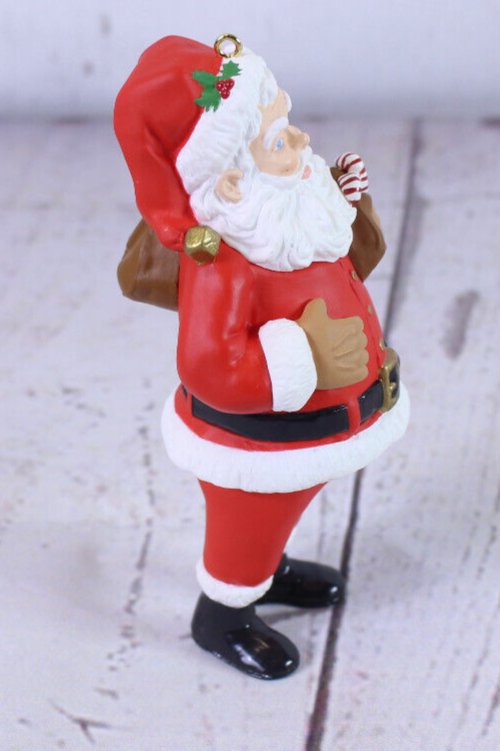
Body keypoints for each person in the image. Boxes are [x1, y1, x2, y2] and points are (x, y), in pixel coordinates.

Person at [114, 33, 410, 680]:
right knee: (249, 521)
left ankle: (268, 568)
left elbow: (342, 270)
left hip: (314, 434)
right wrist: (305, 357)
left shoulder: (287, 221)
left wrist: (345, 204)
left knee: (280, 512)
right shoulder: (222, 263)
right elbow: (209, 366)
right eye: (278, 140)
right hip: (258, 442)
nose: (301, 140)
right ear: (230, 181)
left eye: (289, 122)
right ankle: (222, 615)